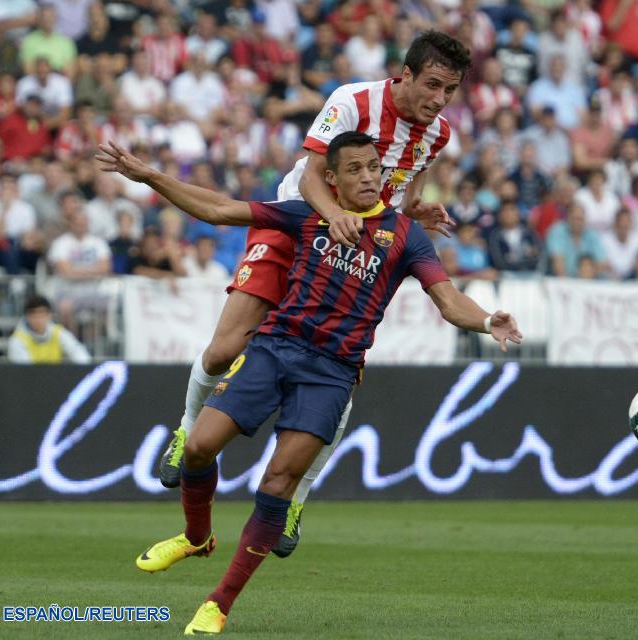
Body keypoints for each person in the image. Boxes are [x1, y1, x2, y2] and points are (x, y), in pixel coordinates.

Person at [96, 131, 522, 635]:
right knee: (198, 448)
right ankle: (196, 537)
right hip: (274, 350)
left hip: (331, 372)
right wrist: (149, 176)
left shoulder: (406, 235)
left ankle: (219, 603)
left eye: (374, 169)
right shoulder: (307, 214)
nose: (369, 177)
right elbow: (218, 210)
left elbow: (450, 301)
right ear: (332, 179)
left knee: (276, 483)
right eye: (356, 169)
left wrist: (486, 319)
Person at [151, 30, 470, 559]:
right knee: (224, 349)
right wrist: (335, 214)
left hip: (356, 251)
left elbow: (403, 190)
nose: (439, 99)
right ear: (405, 74)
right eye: (432, 85)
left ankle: (298, 496)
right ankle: (187, 431)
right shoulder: (352, 101)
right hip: (296, 228)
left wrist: (414, 211)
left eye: (451, 90)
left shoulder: (435, 136)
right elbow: (309, 182)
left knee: (336, 371)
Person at [7, 294, 91, 364]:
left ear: (49, 315)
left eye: (42, 314)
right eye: (34, 315)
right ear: (27, 316)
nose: (38, 319)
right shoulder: (18, 340)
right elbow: (23, 371)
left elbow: (78, 353)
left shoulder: (58, 333)